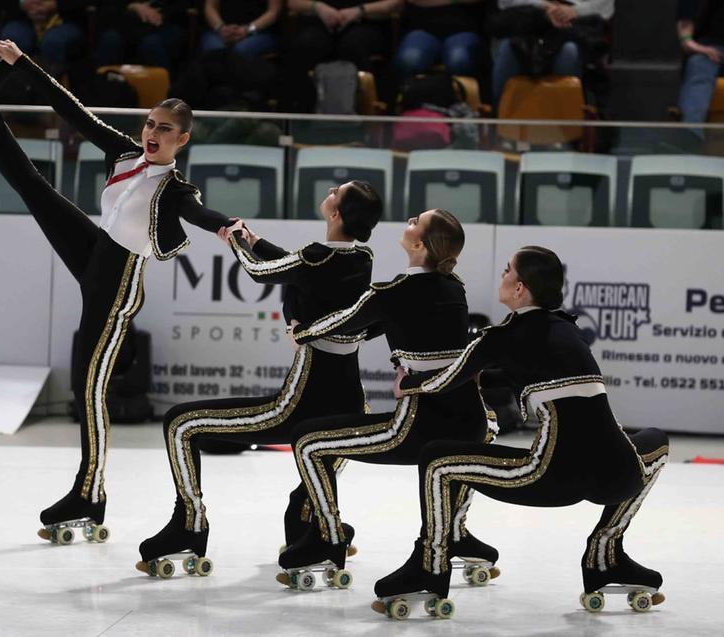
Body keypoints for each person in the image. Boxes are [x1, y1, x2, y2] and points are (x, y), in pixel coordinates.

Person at [0, 40, 236, 540]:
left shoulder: (176, 190)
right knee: (29, 183)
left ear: (181, 140)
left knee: (89, 388)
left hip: (119, 285)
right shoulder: (124, 152)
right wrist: (21, 63)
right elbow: (68, 108)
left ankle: (90, 493)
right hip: (95, 250)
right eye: (150, 123)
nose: (153, 133)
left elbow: (201, 215)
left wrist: (228, 227)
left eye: (165, 129)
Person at [375, 246, 669, 612]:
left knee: (437, 461)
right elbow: (518, 372)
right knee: (656, 441)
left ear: (520, 289)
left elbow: (445, 380)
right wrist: (483, 375)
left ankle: (429, 568)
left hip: (551, 477)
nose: (502, 274)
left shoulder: (501, 336)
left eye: (507, 270)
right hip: (619, 475)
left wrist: (408, 386)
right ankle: (605, 553)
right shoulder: (568, 330)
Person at [136, 181, 383, 575]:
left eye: (338, 192)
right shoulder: (361, 258)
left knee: (180, 424)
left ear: (336, 213)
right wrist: (256, 239)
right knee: (298, 505)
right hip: (350, 404)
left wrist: (234, 239)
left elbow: (260, 272)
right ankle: (317, 526)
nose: (331, 190)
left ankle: (190, 525)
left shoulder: (316, 259)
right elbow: (298, 268)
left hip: (301, 406)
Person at [279, 209, 499, 582]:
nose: (409, 219)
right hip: (472, 421)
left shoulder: (393, 292)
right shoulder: (454, 286)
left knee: (308, 442)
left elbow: (343, 322)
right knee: (468, 446)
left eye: (416, 221)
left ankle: (328, 539)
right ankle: (456, 535)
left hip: (418, 427)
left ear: (418, 244)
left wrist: (300, 331)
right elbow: (400, 329)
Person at [489, 0, 614, 109]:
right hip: (528, 17)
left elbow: (605, 6)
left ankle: (567, 127)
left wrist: (575, 11)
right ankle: (500, 124)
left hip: (576, 23)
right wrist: (544, 6)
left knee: (569, 53)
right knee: (509, 48)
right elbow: (505, 3)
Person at [394, 0, 489, 81]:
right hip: (421, 29)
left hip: (463, 29)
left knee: (459, 59)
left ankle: (461, 99)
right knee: (409, 59)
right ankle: (412, 97)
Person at [0, 0, 87, 73]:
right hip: (21, 17)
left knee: (54, 42)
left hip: (66, 18)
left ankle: (53, 90)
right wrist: (23, 3)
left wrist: (55, 4)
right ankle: (12, 89)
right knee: (13, 40)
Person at [95, 1, 189, 70]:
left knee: (151, 44)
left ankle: (162, 92)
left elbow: (182, 8)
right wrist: (133, 6)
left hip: (164, 23)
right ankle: (104, 88)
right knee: (110, 40)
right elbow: (107, 9)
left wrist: (157, 12)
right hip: (124, 21)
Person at [199, 0, 283, 59]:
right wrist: (221, 28)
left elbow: (273, 11)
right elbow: (210, 7)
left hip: (259, 31)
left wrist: (248, 30)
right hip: (220, 30)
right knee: (214, 49)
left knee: (240, 52)